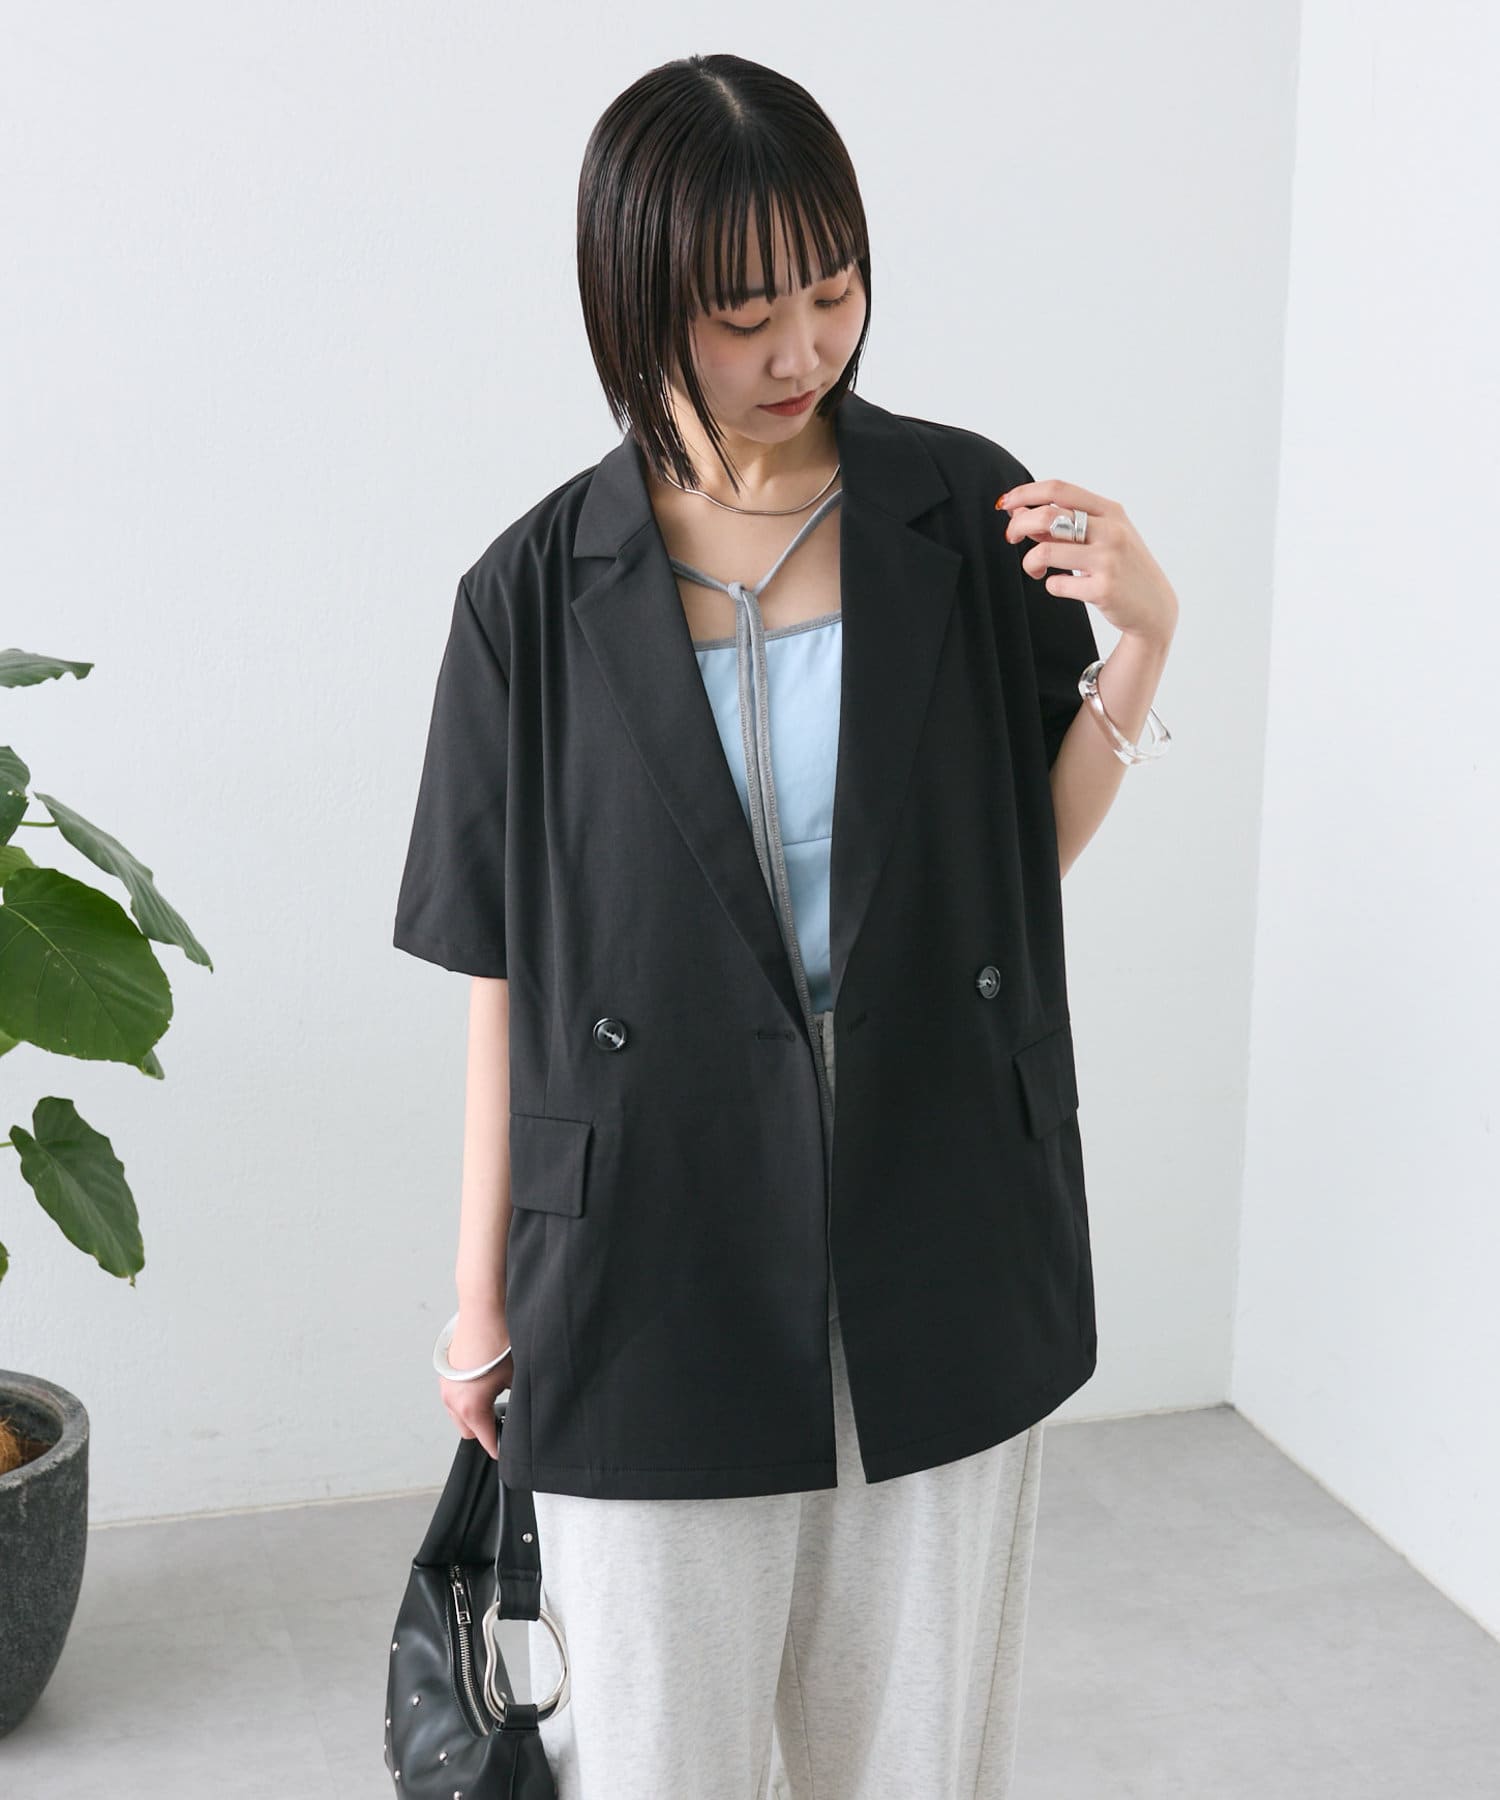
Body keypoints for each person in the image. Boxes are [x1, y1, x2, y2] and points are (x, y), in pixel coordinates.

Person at [394, 51, 1179, 1800]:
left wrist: (1142, 644)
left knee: (915, 1759)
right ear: (638, 304)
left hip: (942, 1196)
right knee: (653, 1757)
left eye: (833, 291)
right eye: (746, 314)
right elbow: (504, 976)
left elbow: (1014, 867)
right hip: (646, 1251)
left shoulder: (962, 516)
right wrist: (477, 1294)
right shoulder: (532, 593)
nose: (803, 348)